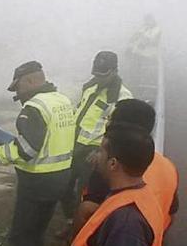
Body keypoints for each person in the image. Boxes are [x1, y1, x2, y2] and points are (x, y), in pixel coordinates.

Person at [0, 61, 76, 246]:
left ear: (29, 81)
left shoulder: (33, 108)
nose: (17, 93)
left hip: (37, 181)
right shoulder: (60, 100)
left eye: (17, 87)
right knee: (37, 231)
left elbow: (27, 150)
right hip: (60, 177)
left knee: (21, 236)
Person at [71, 99, 178, 238]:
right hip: (152, 242)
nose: (107, 122)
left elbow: (87, 211)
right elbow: (171, 213)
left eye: (110, 119)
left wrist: (74, 240)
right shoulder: (167, 166)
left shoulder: (112, 167)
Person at [60, 52, 133, 230]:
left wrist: (101, 152)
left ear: (114, 71)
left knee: (85, 193)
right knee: (64, 185)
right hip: (75, 145)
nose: (99, 79)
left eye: (104, 75)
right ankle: (70, 220)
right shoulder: (90, 87)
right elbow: (78, 112)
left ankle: (81, 230)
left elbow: (119, 132)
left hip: (95, 151)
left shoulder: (123, 98)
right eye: (97, 75)